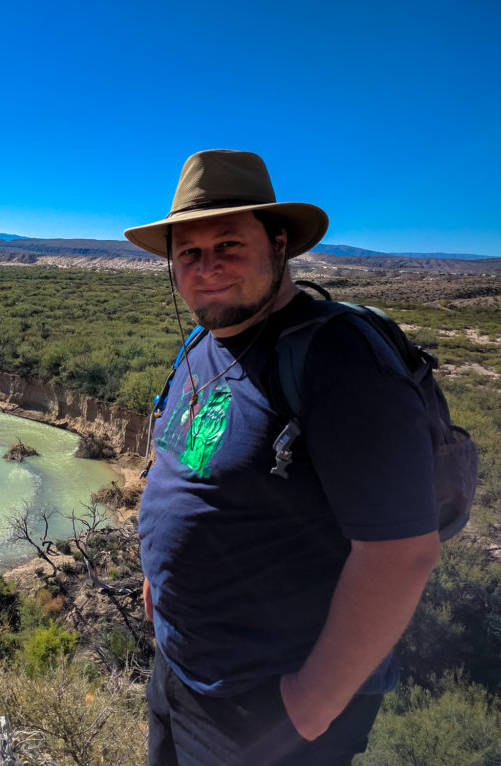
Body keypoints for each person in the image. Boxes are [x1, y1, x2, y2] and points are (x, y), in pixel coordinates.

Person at [124, 150, 441, 765]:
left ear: (278, 246)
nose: (207, 267)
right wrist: (157, 583)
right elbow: (188, 469)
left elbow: (402, 554)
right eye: (189, 252)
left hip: (269, 708)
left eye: (228, 245)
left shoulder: (340, 360)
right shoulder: (203, 341)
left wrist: (309, 705)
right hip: (183, 669)